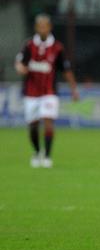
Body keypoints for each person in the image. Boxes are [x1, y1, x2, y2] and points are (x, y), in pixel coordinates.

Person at [15, 13, 79, 168]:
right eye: (40, 26)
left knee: (48, 122)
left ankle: (48, 156)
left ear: (49, 27)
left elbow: (66, 70)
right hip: (31, 92)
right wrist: (20, 68)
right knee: (33, 125)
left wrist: (73, 89)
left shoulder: (57, 47)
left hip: (49, 92)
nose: (42, 29)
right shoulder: (29, 45)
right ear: (36, 28)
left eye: (45, 26)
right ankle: (37, 152)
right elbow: (19, 63)